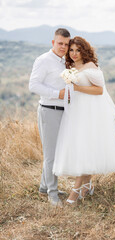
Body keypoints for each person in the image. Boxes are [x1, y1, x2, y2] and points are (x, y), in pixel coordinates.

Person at [52, 36, 115, 204]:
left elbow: (99, 90)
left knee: (87, 146)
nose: (74, 53)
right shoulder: (71, 67)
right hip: (76, 112)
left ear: (84, 50)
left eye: (78, 50)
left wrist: (77, 87)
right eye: (71, 50)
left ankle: (75, 191)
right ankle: (87, 186)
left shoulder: (90, 66)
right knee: (82, 147)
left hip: (91, 113)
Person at [29, 28, 71, 207]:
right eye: (60, 43)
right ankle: (52, 195)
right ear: (53, 43)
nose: (63, 47)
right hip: (49, 110)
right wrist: (57, 94)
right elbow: (33, 85)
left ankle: (44, 187)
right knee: (50, 155)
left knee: (57, 152)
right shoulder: (43, 60)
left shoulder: (66, 62)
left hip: (64, 112)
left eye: (66, 44)